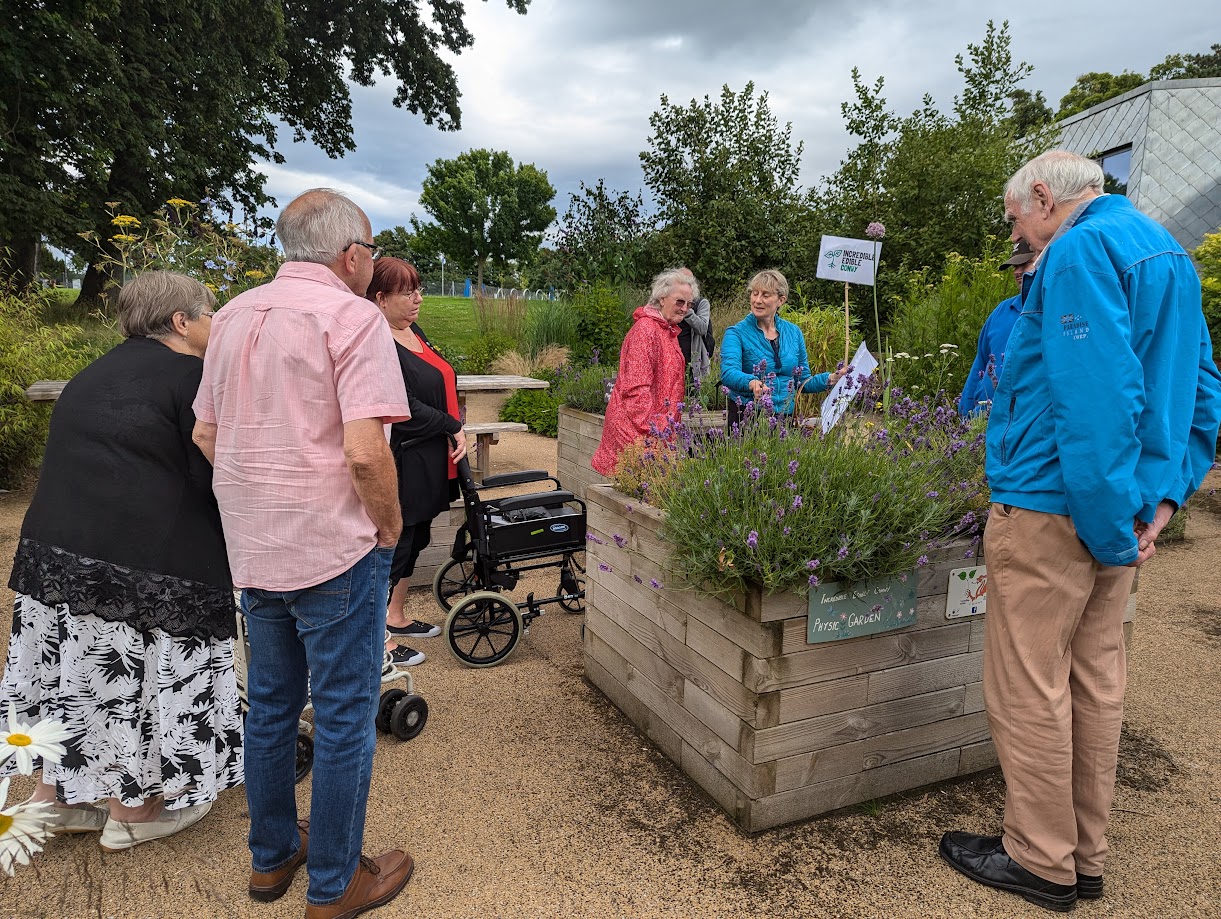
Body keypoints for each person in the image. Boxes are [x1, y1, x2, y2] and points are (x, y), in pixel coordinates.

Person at [939, 151, 1221, 912]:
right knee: (1095, 681)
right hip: (1117, 512)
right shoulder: (1166, 251)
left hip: (1056, 508)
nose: (1018, 234)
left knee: (1029, 682)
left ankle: (1037, 858)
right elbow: (1201, 390)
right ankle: (1082, 855)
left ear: (1041, 196)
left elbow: (1093, 400)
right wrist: (1157, 505)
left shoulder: (1077, 250)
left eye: (1015, 220)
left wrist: (1107, 524)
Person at [192, 189, 416, 917]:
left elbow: (204, 435)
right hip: (332, 548)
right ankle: (333, 883)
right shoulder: (352, 318)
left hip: (255, 548)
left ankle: (271, 858)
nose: (373, 263)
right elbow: (364, 450)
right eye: (373, 251)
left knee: (272, 708)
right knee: (348, 714)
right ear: (352, 255)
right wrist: (388, 527)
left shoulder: (229, 316)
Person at [1, 271, 239, 851]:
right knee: (133, 681)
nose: (216, 323)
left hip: (55, 556)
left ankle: (61, 799)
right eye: (210, 312)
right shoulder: (195, 377)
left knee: (75, 679)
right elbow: (222, 467)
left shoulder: (95, 372)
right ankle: (135, 811)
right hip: (146, 564)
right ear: (181, 322)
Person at [365, 257, 467, 666]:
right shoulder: (377, 343)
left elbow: (440, 381)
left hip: (432, 460)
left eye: (418, 290)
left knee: (418, 539)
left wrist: (452, 426)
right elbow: (401, 408)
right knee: (396, 543)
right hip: (404, 460)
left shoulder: (412, 331)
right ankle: (377, 642)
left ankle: (396, 616)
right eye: (409, 292)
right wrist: (450, 423)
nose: (418, 299)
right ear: (380, 298)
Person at [591, 268, 691, 476]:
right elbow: (636, 390)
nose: (684, 309)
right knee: (633, 501)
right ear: (662, 298)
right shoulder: (646, 330)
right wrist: (655, 432)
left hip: (654, 432)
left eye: (689, 304)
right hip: (636, 434)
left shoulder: (666, 330)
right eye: (680, 302)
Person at [719, 269, 846, 426]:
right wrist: (752, 382)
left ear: (781, 300)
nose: (757, 300)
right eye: (754, 293)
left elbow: (803, 381)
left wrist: (831, 378)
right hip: (747, 415)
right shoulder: (736, 333)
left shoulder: (793, 333)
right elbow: (728, 373)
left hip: (785, 416)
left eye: (765, 295)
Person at [958, 239, 1040, 416]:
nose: (1018, 272)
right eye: (1014, 267)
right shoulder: (1002, 311)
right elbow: (980, 362)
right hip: (981, 419)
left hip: (1022, 421)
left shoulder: (1051, 310)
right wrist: (964, 413)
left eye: (1025, 264)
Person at [675, 267, 713, 385]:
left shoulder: (701, 303)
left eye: (688, 282)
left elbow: (702, 328)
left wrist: (687, 310)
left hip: (694, 359)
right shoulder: (670, 302)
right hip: (674, 356)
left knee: (693, 394)